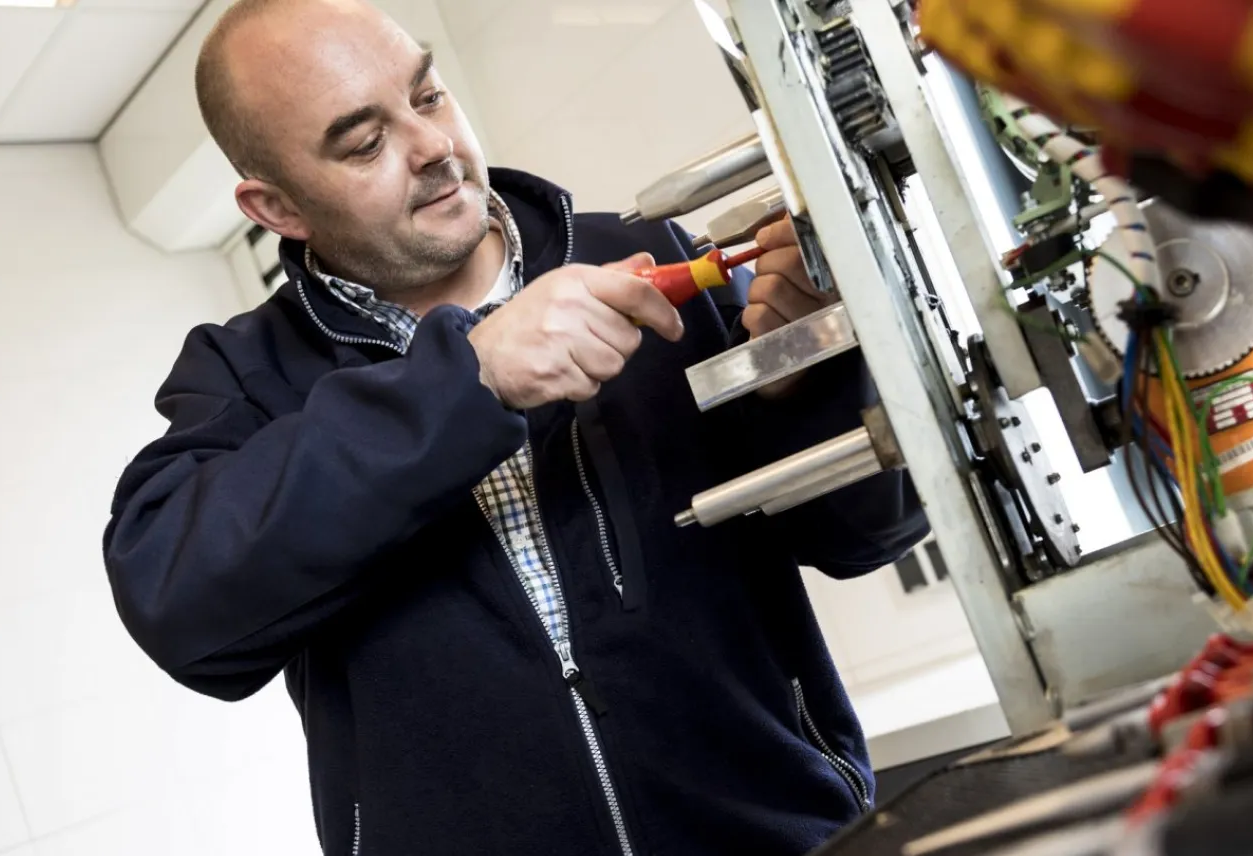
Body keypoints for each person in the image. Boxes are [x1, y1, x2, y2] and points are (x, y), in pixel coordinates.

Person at [102, 0, 927, 853]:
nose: (434, 149)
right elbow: (180, 605)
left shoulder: (644, 255)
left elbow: (869, 534)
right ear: (277, 207)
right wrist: (473, 379)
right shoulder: (245, 375)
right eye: (364, 143)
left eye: (427, 96)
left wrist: (810, 378)